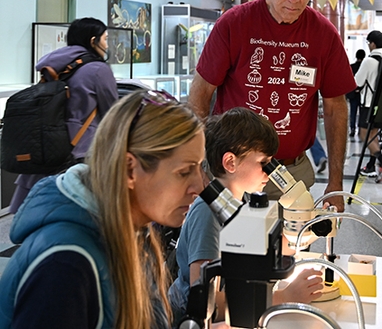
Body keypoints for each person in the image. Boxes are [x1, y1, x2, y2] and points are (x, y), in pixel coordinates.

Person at [0, 90, 224, 329]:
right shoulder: (65, 267)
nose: (199, 187)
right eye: (183, 172)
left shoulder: (134, 231)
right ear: (130, 170)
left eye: (199, 168)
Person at [189, 0, 357, 212]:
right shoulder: (234, 24)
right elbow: (199, 94)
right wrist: (203, 167)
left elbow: (336, 107)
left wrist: (335, 183)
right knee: (228, 252)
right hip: (233, 173)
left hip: (291, 173)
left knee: (291, 251)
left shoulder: (323, 34)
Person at [169, 107, 323, 324]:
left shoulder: (241, 201)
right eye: (264, 163)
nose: (270, 172)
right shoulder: (209, 213)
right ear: (231, 162)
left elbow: (266, 247)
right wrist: (281, 297)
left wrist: (304, 234)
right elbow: (202, 299)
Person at [9, 17, 119, 214]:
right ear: (93, 41)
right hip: (79, 150)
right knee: (73, 210)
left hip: (44, 141)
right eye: (105, 39)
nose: (107, 44)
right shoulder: (98, 69)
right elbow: (113, 112)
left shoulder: (54, 64)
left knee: (35, 207)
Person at [357, 30, 382, 183]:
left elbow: (357, 83)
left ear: (373, 43)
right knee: (374, 136)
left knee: (364, 135)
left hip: (368, 105)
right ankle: (371, 166)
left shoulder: (369, 61)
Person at [346, 49, 366, 137]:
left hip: (352, 93)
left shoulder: (351, 67)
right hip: (363, 94)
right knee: (362, 113)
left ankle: (352, 129)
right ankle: (361, 130)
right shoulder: (365, 67)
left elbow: (348, 80)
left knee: (353, 112)